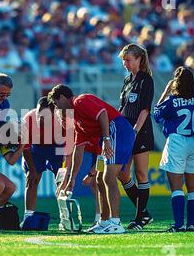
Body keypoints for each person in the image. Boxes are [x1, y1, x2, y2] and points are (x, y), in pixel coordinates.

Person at [48, 84, 135, 234]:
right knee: (100, 179)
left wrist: (107, 139)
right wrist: (72, 179)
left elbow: (103, 115)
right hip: (111, 135)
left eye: (56, 104)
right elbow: (78, 150)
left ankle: (115, 222)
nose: (57, 108)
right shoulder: (77, 120)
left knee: (108, 178)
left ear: (62, 97)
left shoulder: (80, 101)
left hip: (116, 130)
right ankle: (104, 221)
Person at [154, 67, 194, 232]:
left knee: (176, 187)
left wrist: (166, 91)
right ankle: (191, 224)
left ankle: (178, 224)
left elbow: (157, 115)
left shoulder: (172, 100)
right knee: (193, 188)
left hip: (177, 141)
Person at [117, 43, 155, 231]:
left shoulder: (146, 80)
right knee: (122, 173)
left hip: (140, 132)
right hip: (126, 132)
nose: (125, 63)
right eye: (124, 60)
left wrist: (134, 131)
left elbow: (145, 109)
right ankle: (145, 212)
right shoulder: (126, 81)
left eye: (128, 60)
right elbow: (122, 108)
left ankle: (139, 219)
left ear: (139, 59)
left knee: (141, 174)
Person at [22, 97, 70, 222]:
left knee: (62, 181)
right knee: (32, 180)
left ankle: (65, 218)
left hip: (57, 147)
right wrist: (32, 170)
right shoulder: (28, 119)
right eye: (39, 114)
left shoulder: (62, 120)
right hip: (36, 148)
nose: (41, 119)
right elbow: (25, 148)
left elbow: (70, 145)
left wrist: (66, 167)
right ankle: (28, 217)